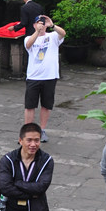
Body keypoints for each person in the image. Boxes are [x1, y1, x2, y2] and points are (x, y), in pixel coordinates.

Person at [24, 14, 65, 142]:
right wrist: (37, 31)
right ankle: (27, 131)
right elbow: (28, 45)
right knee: (30, 105)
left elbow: (63, 33)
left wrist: (52, 25)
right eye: (38, 23)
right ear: (34, 25)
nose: (41, 25)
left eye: (43, 23)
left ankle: (42, 130)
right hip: (33, 77)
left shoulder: (53, 36)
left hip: (50, 76)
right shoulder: (28, 38)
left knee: (46, 105)